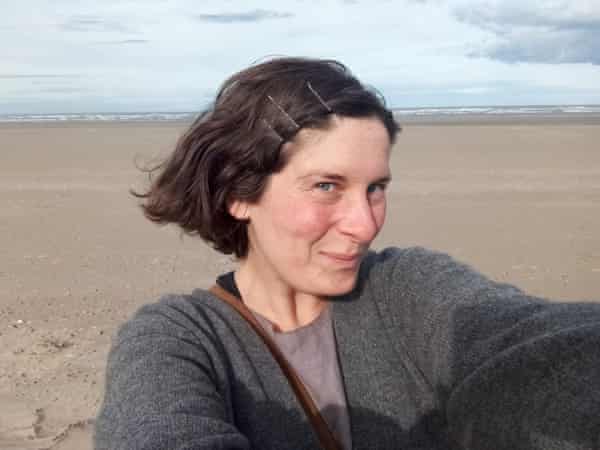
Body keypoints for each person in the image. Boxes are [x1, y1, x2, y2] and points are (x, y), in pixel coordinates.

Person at [94, 57, 600, 450]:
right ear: (240, 194)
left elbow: (522, 342)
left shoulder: (406, 287)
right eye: (327, 185)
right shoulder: (177, 339)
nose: (365, 224)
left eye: (376, 187)